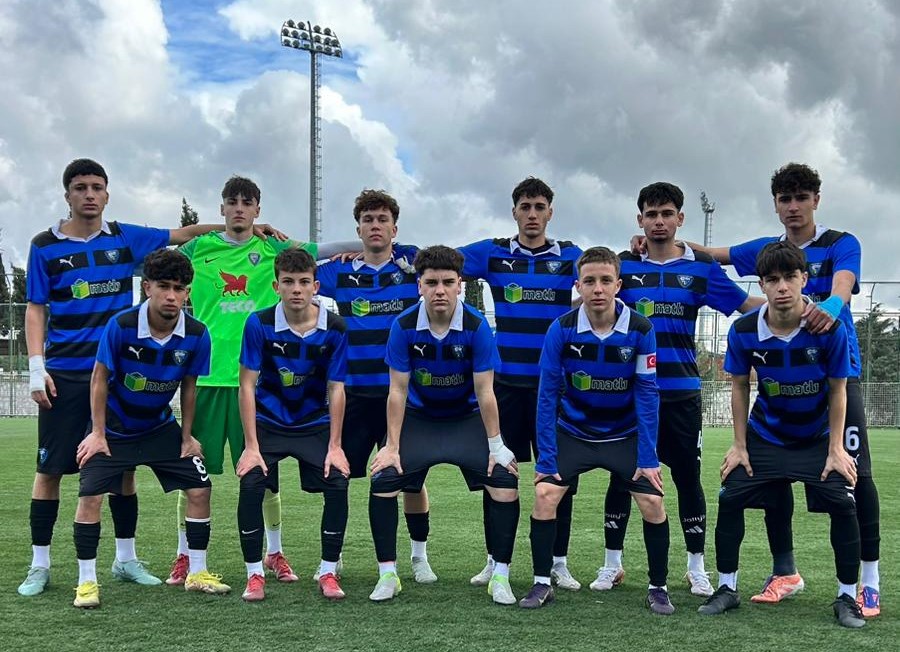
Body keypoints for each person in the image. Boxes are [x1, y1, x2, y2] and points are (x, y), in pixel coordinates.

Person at [20, 158, 236, 597]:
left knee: (121, 470)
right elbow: (36, 308)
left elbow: (183, 234)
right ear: (67, 194)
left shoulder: (124, 237)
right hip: (67, 372)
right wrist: (36, 367)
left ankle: (125, 559)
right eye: (80, 187)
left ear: (107, 193)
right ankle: (39, 565)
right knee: (51, 469)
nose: (89, 194)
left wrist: (244, 226)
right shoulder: (43, 245)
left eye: (97, 187)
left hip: (120, 374)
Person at [672, 163, 880, 616]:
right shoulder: (768, 252)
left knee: (854, 476)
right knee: (771, 474)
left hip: (835, 375)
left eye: (801, 198)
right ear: (776, 205)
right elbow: (713, 254)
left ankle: (868, 581)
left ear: (816, 200)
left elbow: (844, 282)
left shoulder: (840, 243)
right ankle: (784, 571)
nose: (793, 207)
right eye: (785, 199)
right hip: (781, 373)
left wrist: (830, 305)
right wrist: (665, 242)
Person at [169, 176, 356, 586]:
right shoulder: (199, 248)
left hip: (257, 386)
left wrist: (371, 246)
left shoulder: (274, 248)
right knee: (193, 473)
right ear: (222, 208)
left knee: (261, 474)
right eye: (232, 202)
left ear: (258, 208)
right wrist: (210, 229)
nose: (239, 208)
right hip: (207, 377)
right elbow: (157, 258)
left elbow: (322, 250)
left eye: (247, 202)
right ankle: (185, 555)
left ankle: (274, 552)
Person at [597, 182, 760, 597]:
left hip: (682, 393)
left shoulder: (701, 268)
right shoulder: (623, 268)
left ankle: (696, 567)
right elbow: (590, 292)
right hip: (631, 393)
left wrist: (801, 303)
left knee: (688, 479)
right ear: (640, 220)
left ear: (680, 219)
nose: (659, 221)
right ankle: (612, 564)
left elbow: (744, 306)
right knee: (622, 476)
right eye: (651, 215)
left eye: (666, 214)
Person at [698, 241, 864, 628]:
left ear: (804, 278)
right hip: (767, 435)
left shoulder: (828, 328)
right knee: (730, 494)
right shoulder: (743, 330)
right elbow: (740, 386)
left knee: (843, 503)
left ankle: (846, 596)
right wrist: (739, 446)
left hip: (816, 437)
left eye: (790, 277)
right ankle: (727, 588)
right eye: (772, 280)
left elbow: (838, 390)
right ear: (762, 285)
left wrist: (835, 448)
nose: (782, 287)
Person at [519, 246, 674, 614]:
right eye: (590, 281)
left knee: (653, 502)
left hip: (624, 435)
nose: (598, 288)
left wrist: (648, 458)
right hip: (574, 433)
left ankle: (658, 587)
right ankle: (542, 583)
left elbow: (647, 394)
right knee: (545, 495)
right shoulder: (561, 328)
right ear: (578, 286)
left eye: (606, 280)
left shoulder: (641, 329)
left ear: (618, 285)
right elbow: (547, 395)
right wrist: (547, 457)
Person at [72, 249, 227, 608]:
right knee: (91, 496)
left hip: (158, 427)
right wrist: (97, 433)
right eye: (164, 287)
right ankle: (86, 582)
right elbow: (99, 378)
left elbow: (189, 387)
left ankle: (197, 573)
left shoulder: (198, 333)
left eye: (179, 288)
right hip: (114, 429)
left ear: (188, 292)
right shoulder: (122, 325)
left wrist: (187, 437)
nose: (171, 296)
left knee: (200, 487)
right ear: (147, 288)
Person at [367, 246, 520, 605]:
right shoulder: (403, 325)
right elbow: (397, 390)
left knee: (504, 479)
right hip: (420, 418)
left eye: (448, 282)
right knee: (384, 478)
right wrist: (391, 447)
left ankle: (500, 575)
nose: (440, 290)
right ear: (419, 286)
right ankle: (388, 574)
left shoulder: (477, 326)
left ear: (459, 285)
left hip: (465, 418)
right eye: (432, 282)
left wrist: (496, 446)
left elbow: (485, 391)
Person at [458, 177, 583, 590]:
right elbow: (436, 261)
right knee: (498, 472)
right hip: (506, 387)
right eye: (525, 207)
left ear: (550, 213)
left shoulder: (570, 256)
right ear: (514, 212)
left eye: (539, 207)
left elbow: (609, 273)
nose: (532, 214)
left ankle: (558, 562)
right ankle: (496, 559)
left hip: (554, 388)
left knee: (558, 476)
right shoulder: (493, 253)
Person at [316, 189, 435, 583]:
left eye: (383, 219)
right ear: (359, 229)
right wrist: (344, 251)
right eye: (367, 220)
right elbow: (293, 268)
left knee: (410, 480)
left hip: (400, 396)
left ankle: (419, 557)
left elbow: (443, 263)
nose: (375, 226)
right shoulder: (339, 273)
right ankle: (332, 559)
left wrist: (411, 255)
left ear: (394, 228)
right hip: (352, 394)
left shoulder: (410, 267)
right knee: (338, 476)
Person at [235, 248, 350, 602]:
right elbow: (247, 385)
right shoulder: (258, 323)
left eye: (303, 282)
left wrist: (335, 445)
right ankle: (255, 574)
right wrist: (251, 446)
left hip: (313, 421)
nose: (296, 289)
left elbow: (337, 388)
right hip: (268, 421)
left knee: (338, 481)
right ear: (276, 286)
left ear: (316, 286)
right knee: (251, 482)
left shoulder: (335, 327)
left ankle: (328, 571)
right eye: (288, 282)